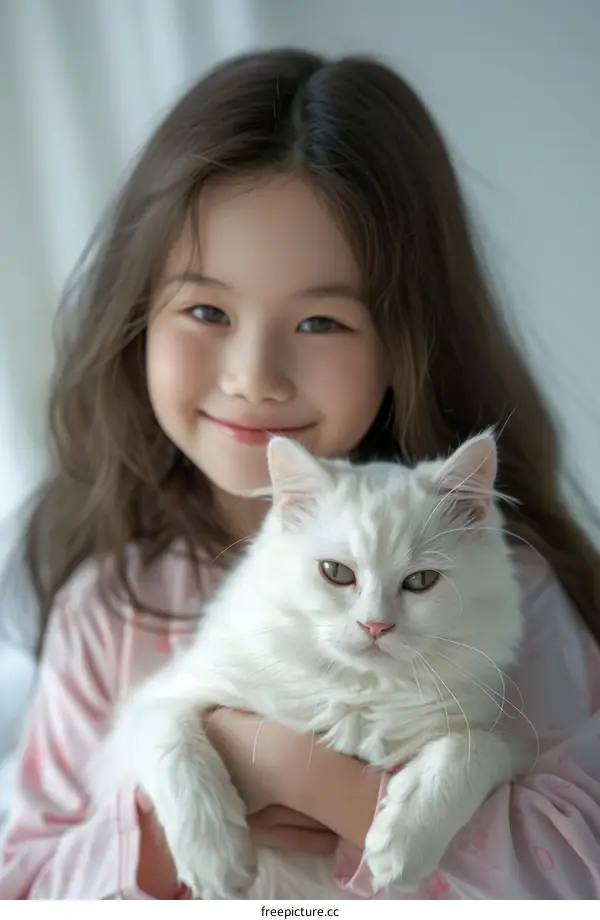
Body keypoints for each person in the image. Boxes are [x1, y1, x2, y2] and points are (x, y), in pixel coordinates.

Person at [1, 48, 599, 900]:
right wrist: (173, 836)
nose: (255, 374)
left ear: (407, 339)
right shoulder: (107, 607)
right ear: (134, 316)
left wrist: (311, 776)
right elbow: (19, 884)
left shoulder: (509, 590)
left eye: (321, 321)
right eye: (207, 310)